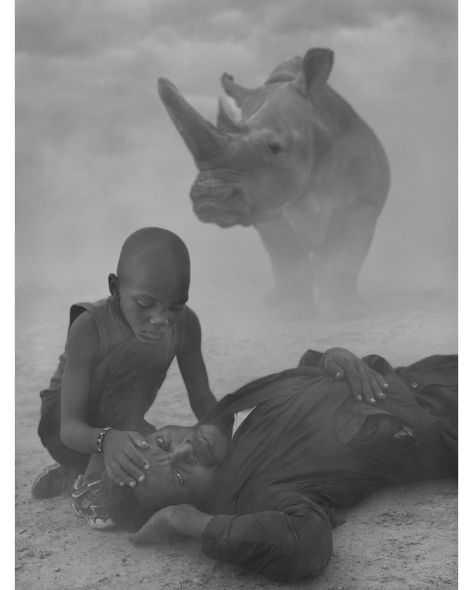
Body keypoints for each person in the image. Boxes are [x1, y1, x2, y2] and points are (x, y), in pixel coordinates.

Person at [102, 348, 457, 583]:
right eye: (179, 475)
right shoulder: (257, 495)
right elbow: (305, 546)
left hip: (433, 373)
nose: (185, 449)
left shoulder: (225, 420)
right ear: (189, 502)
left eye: (165, 442)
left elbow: (304, 387)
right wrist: (187, 522)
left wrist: (332, 359)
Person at [32, 227, 217, 530]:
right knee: (136, 445)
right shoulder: (89, 327)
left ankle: (75, 471)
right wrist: (107, 440)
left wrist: (226, 436)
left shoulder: (186, 325)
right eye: (145, 304)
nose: (161, 319)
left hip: (125, 422)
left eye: (175, 307)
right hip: (65, 425)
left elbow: (202, 397)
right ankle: (89, 482)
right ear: (115, 287)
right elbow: (69, 428)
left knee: (160, 459)